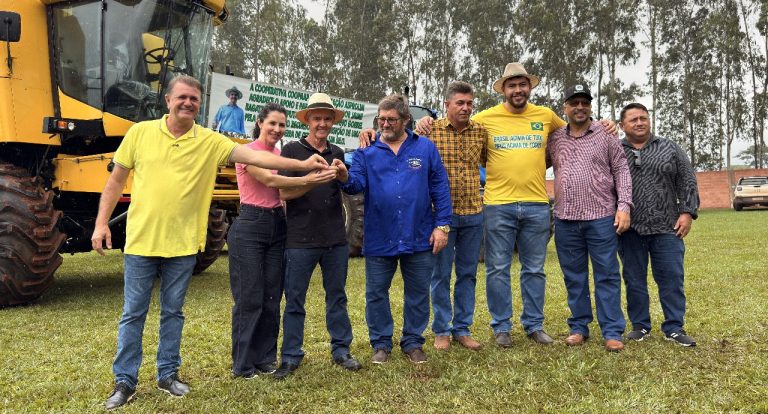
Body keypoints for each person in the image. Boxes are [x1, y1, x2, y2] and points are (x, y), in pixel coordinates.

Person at [91, 75, 329, 410]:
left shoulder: (209, 140)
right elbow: (116, 181)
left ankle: (167, 374)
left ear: (200, 104)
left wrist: (302, 164)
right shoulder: (140, 133)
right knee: (133, 314)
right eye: (182, 97)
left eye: (194, 99)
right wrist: (102, 223)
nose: (188, 103)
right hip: (142, 242)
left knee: (173, 313)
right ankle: (125, 381)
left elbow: (261, 158)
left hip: (184, 244)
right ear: (168, 100)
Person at [228, 103, 338, 380]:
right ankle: (243, 363)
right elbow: (269, 180)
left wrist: (309, 181)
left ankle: (266, 358)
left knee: (272, 296)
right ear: (260, 123)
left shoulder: (280, 155)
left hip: (278, 224)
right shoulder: (247, 152)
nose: (277, 129)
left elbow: (286, 195)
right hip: (251, 224)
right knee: (250, 297)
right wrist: (311, 178)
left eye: (282, 125)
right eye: (272, 123)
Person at [340, 94, 452, 364]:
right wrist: (343, 176)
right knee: (376, 293)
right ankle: (381, 344)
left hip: (419, 233)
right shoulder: (366, 152)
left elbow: (440, 187)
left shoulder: (425, 148)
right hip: (380, 234)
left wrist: (442, 226)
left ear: (406, 120)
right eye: (381, 119)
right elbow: (355, 185)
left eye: (391, 119)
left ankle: (413, 342)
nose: (385, 124)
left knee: (417, 292)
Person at [272, 93, 362, 379]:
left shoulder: (337, 152)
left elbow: (348, 187)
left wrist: (343, 176)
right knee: (295, 299)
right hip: (300, 239)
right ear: (307, 121)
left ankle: (341, 350)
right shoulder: (291, 150)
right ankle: (290, 356)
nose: (322, 124)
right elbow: (283, 192)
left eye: (327, 119)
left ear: (332, 122)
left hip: (335, 238)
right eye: (317, 118)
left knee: (337, 297)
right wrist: (311, 180)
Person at [546, 84, 632, 352]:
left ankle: (612, 331)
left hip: (601, 217)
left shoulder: (606, 134)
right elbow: (535, 162)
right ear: (565, 108)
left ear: (590, 106)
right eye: (574, 103)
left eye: (585, 102)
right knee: (574, 277)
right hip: (565, 218)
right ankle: (579, 327)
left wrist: (624, 206)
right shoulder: (555, 138)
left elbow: (622, 170)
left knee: (606, 274)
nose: (580, 107)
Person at [618, 102, 700, 347]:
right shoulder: (615, 150)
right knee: (634, 279)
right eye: (633, 119)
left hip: (667, 227)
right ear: (622, 125)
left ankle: (674, 327)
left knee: (671, 278)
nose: (639, 122)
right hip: (630, 229)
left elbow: (687, 180)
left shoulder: (670, 148)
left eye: (643, 118)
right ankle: (640, 326)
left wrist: (687, 212)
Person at [426, 81, 487, 351]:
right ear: (447, 105)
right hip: (442, 217)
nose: (465, 108)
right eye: (460, 103)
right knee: (440, 275)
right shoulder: (430, 131)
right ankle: (442, 330)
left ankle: (462, 329)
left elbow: (487, 161)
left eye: (469, 103)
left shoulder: (480, 132)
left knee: (467, 274)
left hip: (473, 213)